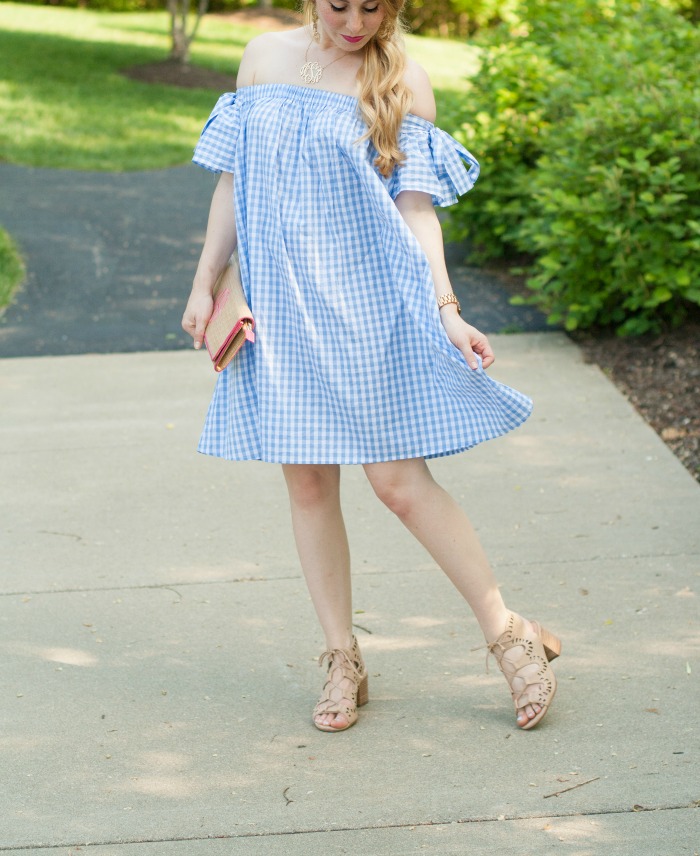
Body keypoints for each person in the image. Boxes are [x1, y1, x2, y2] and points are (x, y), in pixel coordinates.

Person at [181, 0, 561, 733]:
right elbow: (233, 182)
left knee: (399, 483)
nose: (355, 21)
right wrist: (205, 282)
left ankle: (509, 635)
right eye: (339, 4)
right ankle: (340, 658)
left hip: (370, 309)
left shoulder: (405, 79)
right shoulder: (261, 58)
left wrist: (447, 310)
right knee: (309, 482)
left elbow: (416, 211)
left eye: (373, 5)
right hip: (282, 310)